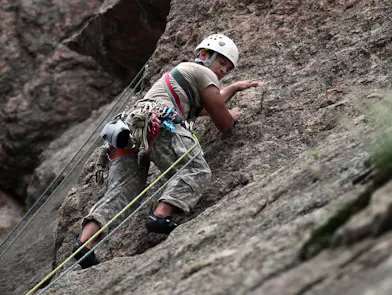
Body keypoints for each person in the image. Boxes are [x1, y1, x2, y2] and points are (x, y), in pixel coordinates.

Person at [72, 33, 259, 268]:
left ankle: (85, 242)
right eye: (221, 62)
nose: (223, 71)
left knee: (124, 191)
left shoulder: (183, 76)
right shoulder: (203, 72)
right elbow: (222, 121)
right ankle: (161, 215)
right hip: (159, 123)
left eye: (228, 69)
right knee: (195, 169)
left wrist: (232, 88)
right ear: (204, 55)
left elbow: (205, 105)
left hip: (129, 127)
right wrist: (231, 116)